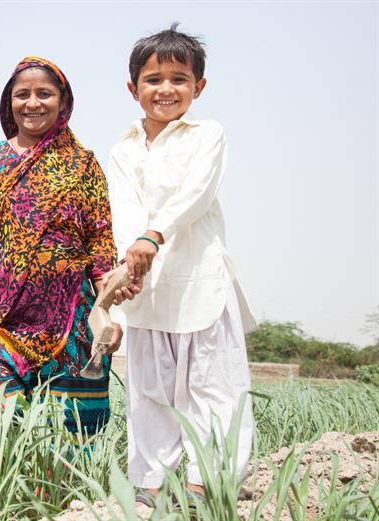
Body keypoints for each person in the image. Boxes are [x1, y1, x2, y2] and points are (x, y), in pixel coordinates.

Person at [0, 57, 136, 436]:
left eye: (44, 94)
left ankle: (64, 497)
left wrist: (107, 313)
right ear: (8, 102)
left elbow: (99, 242)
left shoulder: (83, 164)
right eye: (22, 94)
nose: (33, 103)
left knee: (66, 435)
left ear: (63, 102)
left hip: (70, 320)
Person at [105, 24, 256, 505]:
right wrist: (128, 265)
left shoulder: (207, 135)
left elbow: (197, 195)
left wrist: (153, 235)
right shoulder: (123, 149)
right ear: (133, 89)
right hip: (147, 288)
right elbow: (124, 210)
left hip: (199, 283)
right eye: (153, 79)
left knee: (213, 389)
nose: (165, 89)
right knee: (149, 390)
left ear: (199, 87)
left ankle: (203, 484)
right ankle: (150, 485)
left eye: (178, 78)